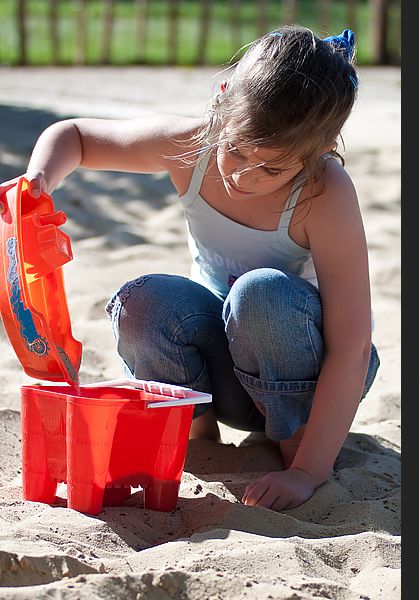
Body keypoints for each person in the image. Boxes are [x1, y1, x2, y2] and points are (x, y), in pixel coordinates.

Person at [0, 26, 379, 512]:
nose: (243, 176)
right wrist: (39, 181)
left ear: (317, 156)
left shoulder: (324, 193)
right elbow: (74, 135)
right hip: (226, 372)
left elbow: (351, 344)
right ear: (221, 103)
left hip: (305, 377)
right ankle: (195, 429)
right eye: (237, 150)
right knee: (143, 298)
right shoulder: (191, 147)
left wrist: (308, 472)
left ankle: (294, 443)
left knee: (259, 292)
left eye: (271, 169)